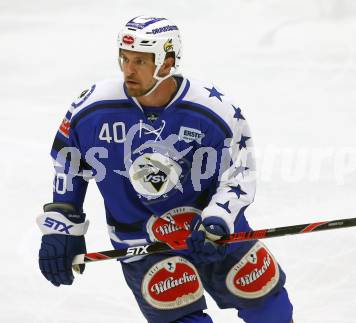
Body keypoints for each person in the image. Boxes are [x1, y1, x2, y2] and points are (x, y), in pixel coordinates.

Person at [37, 16, 294, 323]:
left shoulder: (214, 111)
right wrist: (63, 226)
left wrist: (219, 220)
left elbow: (237, 173)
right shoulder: (92, 108)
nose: (128, 70)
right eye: (125, 58)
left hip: (212, 233)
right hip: (144, 243)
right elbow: (70, 164)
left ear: (167, 62)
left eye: (140, 62)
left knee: (271, 308)